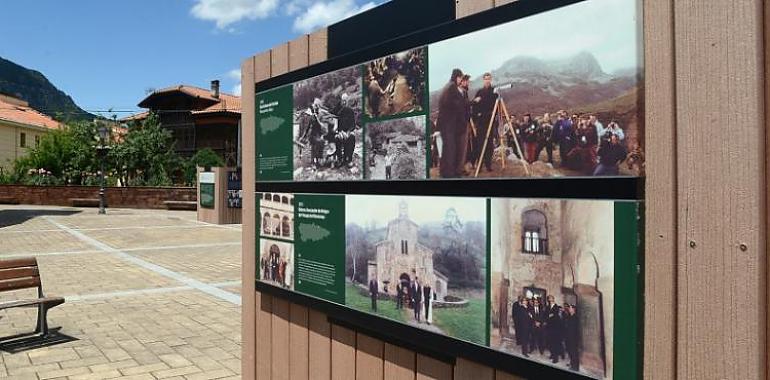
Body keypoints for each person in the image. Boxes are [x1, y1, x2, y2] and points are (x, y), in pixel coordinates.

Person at [437, 69, 468, 178]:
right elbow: (458, 105)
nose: (461, 80)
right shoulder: (452, 88)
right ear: (457, 77)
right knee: (450, 150)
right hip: (449, 125)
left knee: (447, 150)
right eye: (460, 78)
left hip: (446, 125)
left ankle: (445, 172)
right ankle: (449, 174)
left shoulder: (447, 87)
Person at [471, 72, 498, 172]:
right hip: (481, 122)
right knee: (480, 143)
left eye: (489, 78)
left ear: (491, 80)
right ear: (483, 80)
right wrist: (476, 118)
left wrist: (494, 117)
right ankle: (480, 163)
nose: (487, 80)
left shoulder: (494, 92)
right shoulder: (479, 92)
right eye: (485, 79)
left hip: (490, 121)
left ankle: (488, 164)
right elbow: (474, 106)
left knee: (489, 143)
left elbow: (497, 106)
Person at [332, 93, 356, 167]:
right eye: (343, 101)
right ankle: (339, 159)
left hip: (348, 131)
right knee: (337, 138)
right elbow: (336, 123)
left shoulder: (351, 111)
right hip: (341, 131)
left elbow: (353, 124)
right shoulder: (338, 111)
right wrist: (340, 132)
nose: (344, 102)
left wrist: (348, 132)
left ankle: (349, 159)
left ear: (348, 101)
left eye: (346, 100)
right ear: (341, 101)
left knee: (352, 137)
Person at [458, 74, 472, 175]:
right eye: (466, 81)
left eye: (468, 81)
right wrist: (473, 102)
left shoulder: (465, 92)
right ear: (461, 82)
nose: (467, 83)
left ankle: (462, 167)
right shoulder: (460, 93)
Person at [545, 295, 564, 363]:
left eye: (551, 298)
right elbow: (546, 315)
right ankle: (552, 354)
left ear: (553, 299)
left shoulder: (557, 307)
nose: (550, 299)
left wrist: (550, 315)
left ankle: (555, 358)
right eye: (549, 298)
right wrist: (549, 316)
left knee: (555, 343)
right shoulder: (547, 307)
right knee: (550, 342)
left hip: (555, 328)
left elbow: (556, 316)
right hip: (549, 327)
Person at [563, 304, 580, 371]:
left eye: (570, 308)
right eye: (569, 308)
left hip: (573, 338)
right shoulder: (569, 316)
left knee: (574, 352)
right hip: (568, 337)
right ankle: (572, 363)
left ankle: (575, 367)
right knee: (570, 351)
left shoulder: (575, 317)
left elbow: (575, 330)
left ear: (573, 309)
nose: (569, 309)